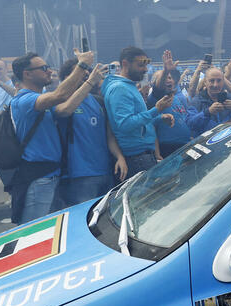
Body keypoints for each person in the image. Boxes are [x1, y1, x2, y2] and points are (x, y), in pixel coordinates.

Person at [10, 49, 96, 223]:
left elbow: (65, 109)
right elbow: (60, 95)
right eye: (43, 68)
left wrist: (89, 82)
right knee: (33, 233)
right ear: (27, 74)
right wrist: (82, 65)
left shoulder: (39, 98)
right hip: (38, 178)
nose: (49, 71)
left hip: (50, 175)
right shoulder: (25, 100)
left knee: (49, 231)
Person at [54, 59, 125, 207]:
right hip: (79, 175)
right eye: (81, 71)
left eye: (87, 71)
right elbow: (64, 111)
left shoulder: (99, 101)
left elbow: (109, 135)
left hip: (105, 171)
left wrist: (119, 157)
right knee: (83, 220)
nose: (86, 74)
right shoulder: (62, 101)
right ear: (68, 77)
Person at [101, 46, 165, 176]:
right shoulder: (120, 89)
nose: (146, 69)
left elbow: (137, 120)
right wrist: (156, 110)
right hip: (137, 158)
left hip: (141, 156)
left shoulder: (128, 87)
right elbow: (125, 124)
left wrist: (159, 117)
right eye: (141, 65)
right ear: (125, 64)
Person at [186, 66, 231, 135]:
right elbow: (190, 124)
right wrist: (207, 112)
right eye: (212, 81)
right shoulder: (197, 101)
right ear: (205, 82)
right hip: (206, 143)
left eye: (219, 80)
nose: (215, 85)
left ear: (223, 82)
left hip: (229, 140)